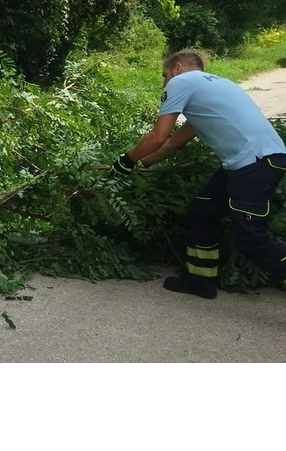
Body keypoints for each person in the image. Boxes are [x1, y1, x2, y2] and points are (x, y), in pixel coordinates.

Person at [112, 49, 286, 298]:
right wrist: (143, 165)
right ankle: (200, 280)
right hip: (249, 162)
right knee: (202, 211)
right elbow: (171, 144)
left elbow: (157, 136)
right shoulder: (216, 87)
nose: (164, 82)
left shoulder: (181, 82)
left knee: (250, 236)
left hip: (255, 163)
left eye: (165, 75)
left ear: (179, 68)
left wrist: (125, 161)